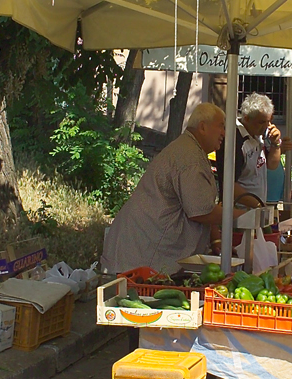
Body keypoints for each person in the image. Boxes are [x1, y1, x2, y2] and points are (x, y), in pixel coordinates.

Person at [102, 103, 239, 275]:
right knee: (137, 297)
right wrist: (243, 216)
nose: (224, 134)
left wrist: (216, 238)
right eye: (221, 126)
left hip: (141, 248)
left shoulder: (190, 149)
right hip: (144, 253)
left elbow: (201, 203)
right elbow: (200, 211)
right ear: (203, 127)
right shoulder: (190, 157)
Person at [234, 93, 282, 206]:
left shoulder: (259, 134)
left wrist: (275, 144)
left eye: (269, 121)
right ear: (246, 118)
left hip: (257, 208)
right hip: (241, 211)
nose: (266, 126)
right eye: (261, 122)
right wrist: (258, 205)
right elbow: (229, 185)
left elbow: (272, 165)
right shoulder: (237, 140)